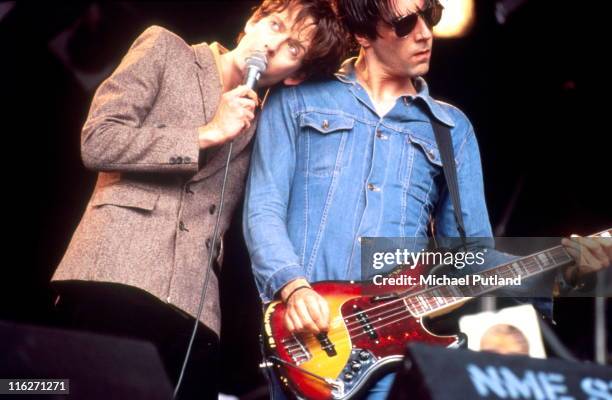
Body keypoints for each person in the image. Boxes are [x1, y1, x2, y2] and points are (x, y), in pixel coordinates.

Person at [243, 0, 611, 398]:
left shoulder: (452, 130)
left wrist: (560, 269)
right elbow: (263, 209)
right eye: (404, 25)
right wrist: (294, 288)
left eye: (430, 17)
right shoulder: (298, 100)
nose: (424, 34)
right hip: (308, 340)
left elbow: (469, 257)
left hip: (400, 350)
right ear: (363, 34)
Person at [50, 1, 349, 399]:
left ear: (296, 76)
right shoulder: (165, 48)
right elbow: (98, 141)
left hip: (195, 307)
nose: (275, 44)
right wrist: (204, 134)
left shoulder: (267, 123)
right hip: (112, 273)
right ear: (252, 21)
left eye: (294, 49)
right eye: (275, 25)